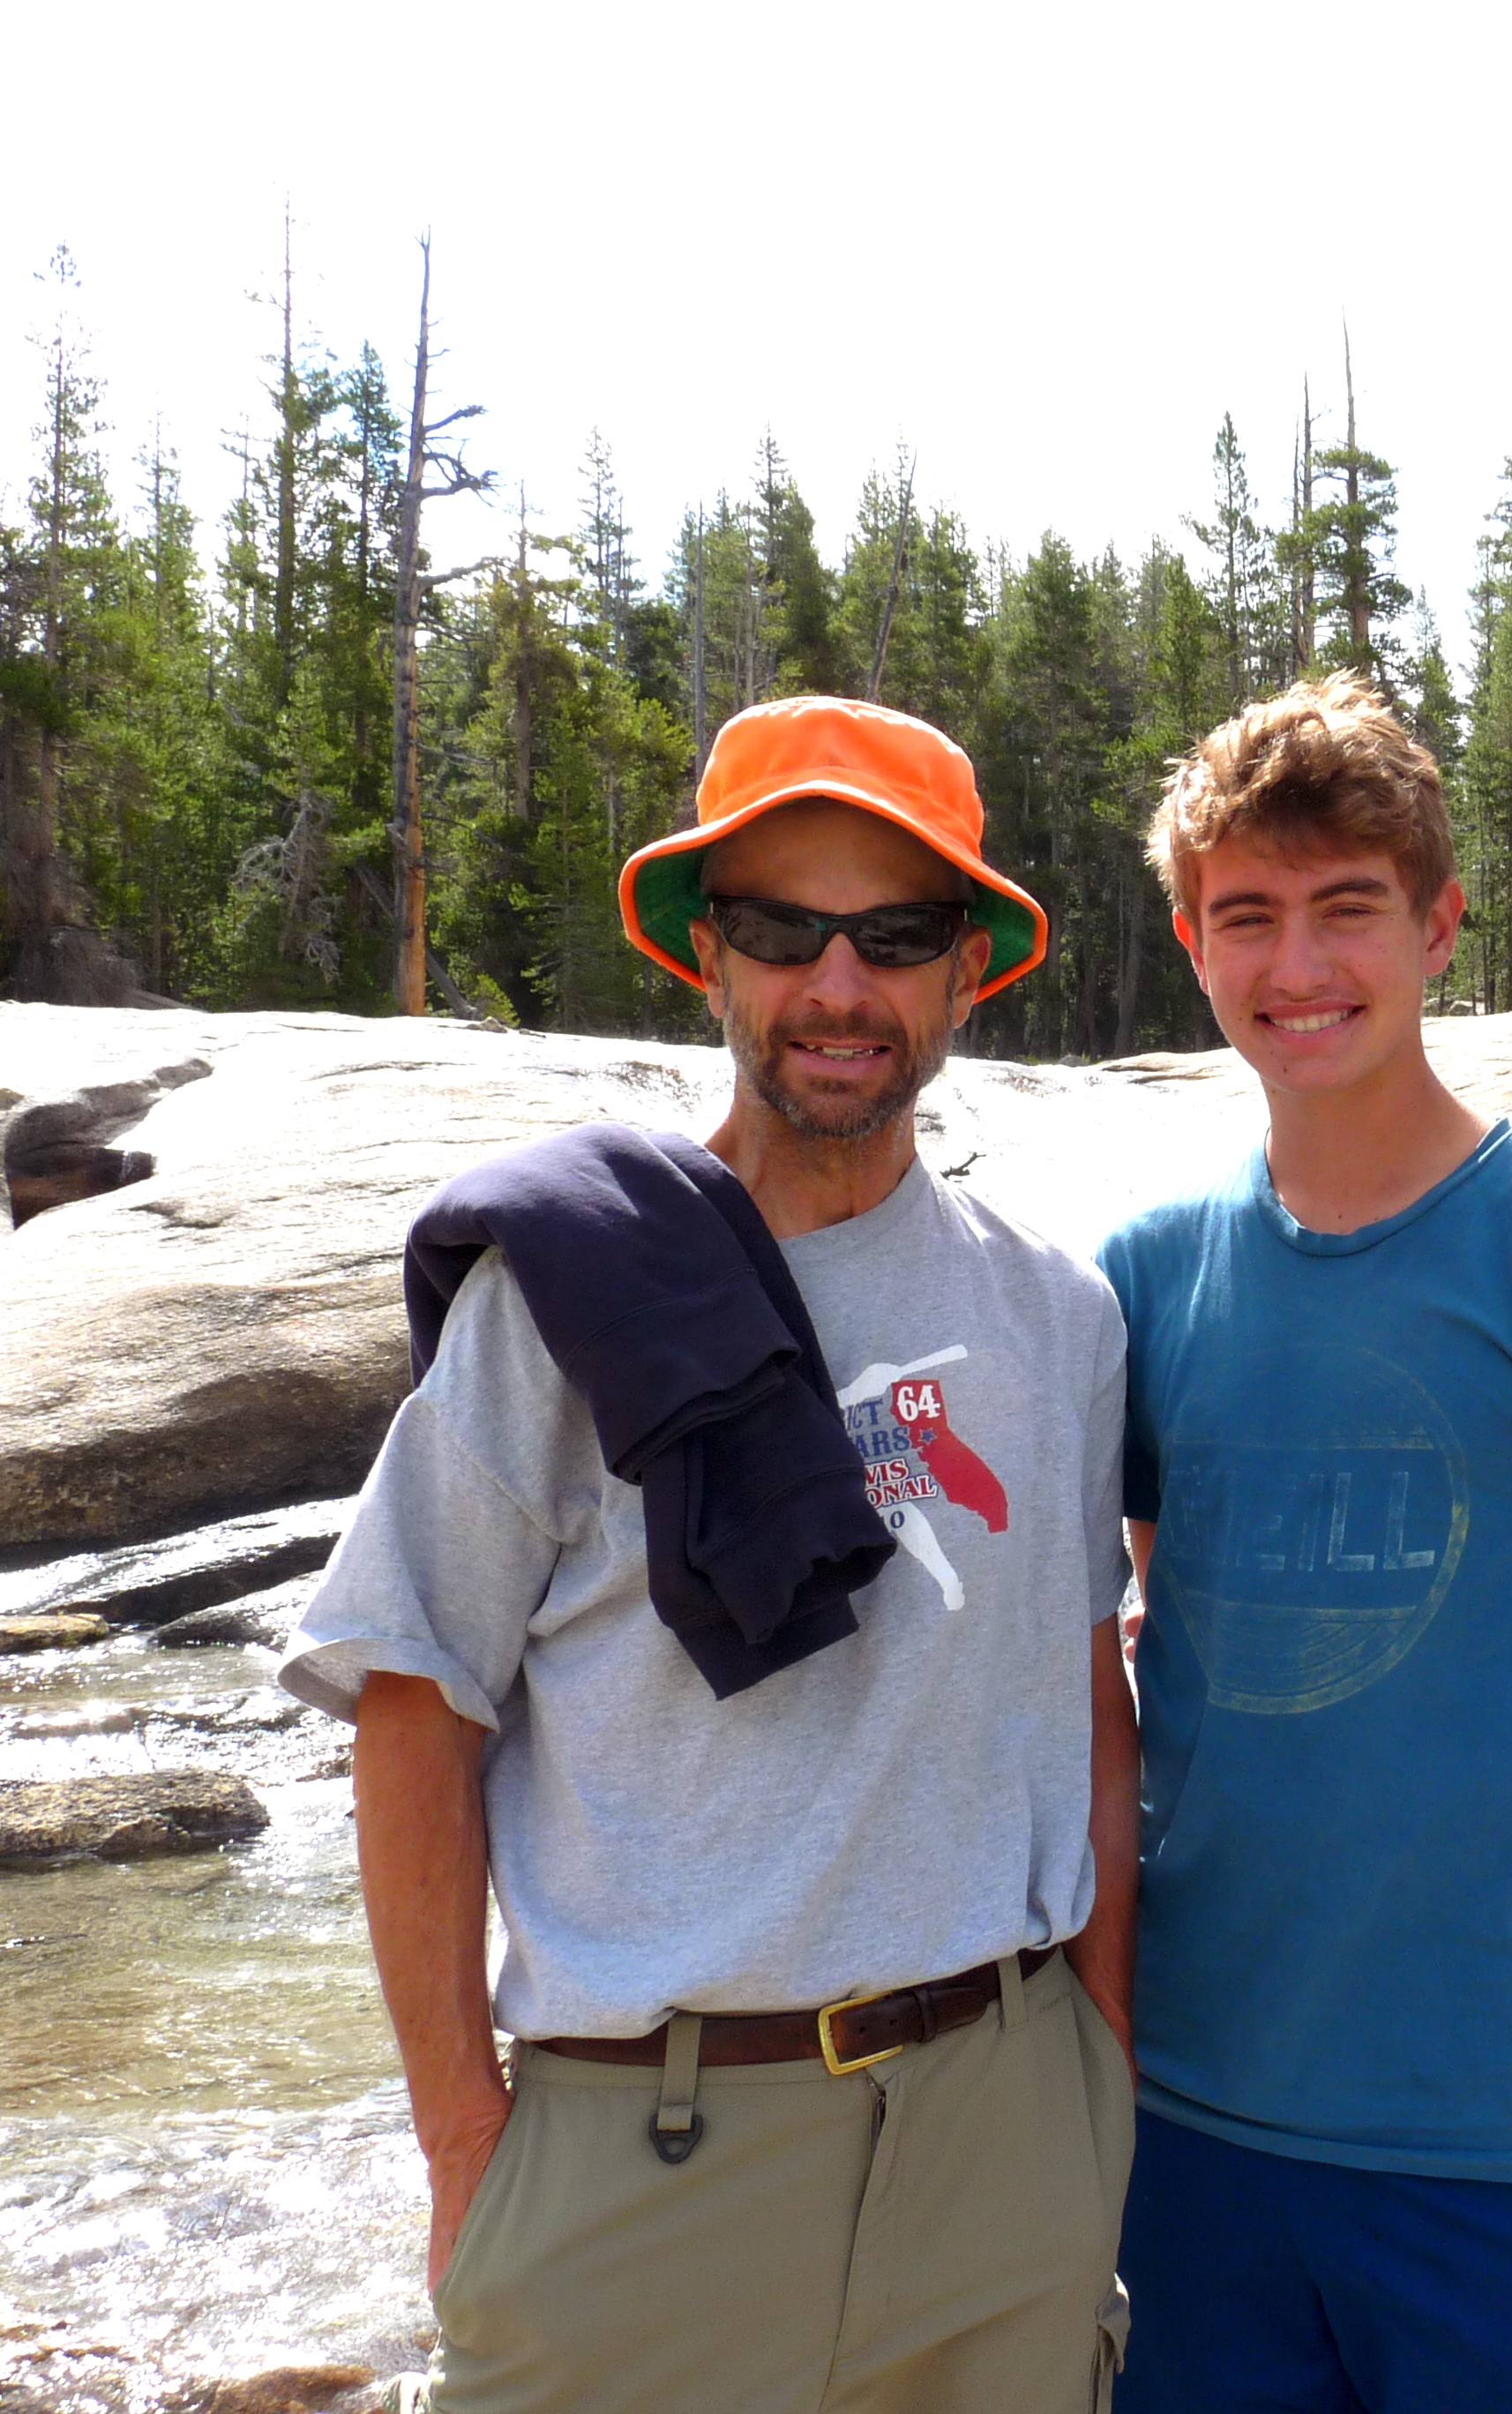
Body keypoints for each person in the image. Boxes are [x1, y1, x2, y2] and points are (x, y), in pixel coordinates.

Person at [280, 695, 1138, 2414]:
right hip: (643, 2167)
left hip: (1006, 2140)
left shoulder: (1064, 1314)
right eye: (782, 930)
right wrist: (465, 2144)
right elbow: (413, 1703)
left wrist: (1096, 2067)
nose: (839, 986)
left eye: (896, 936)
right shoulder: (564, 1295)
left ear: (969, 970)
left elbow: (1087, 1701)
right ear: (708, 957)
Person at [1094, 671, 1512, 2414]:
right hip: (1193, 2113)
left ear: (1439, 926)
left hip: (1502, 2126)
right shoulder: (1145, 1274)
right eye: (1247, 917)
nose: (1298, 964)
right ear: (1191, 944)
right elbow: (1189, 1621)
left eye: (1348, 909)